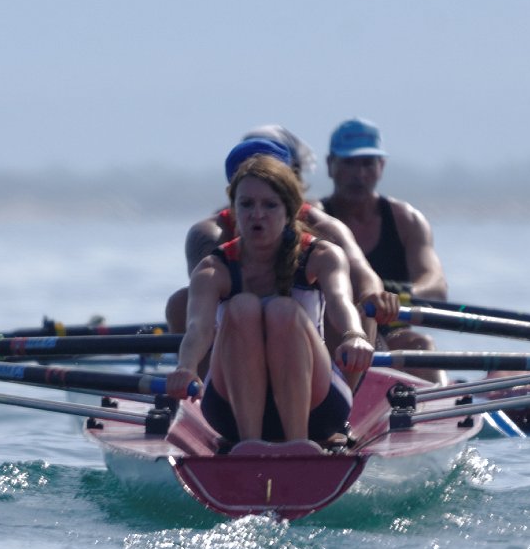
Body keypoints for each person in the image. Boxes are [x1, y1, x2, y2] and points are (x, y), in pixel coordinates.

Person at [164, 151, 375, 447]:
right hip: (229, 413)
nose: (257, 214)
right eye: (246, 204)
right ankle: (249, 445)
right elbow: (198, 328)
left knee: (282, 310)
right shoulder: (213, 269)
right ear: (233, 211)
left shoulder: (322, 255)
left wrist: (354, 335)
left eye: (270, 205)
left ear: (290, 211)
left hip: (318, 410)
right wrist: (185, 367)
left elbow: (341, 302)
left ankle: (299, 444)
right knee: (242, 307)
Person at [164, 125, 398, 386]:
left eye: (270, 199)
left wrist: (375, 298)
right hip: (236, 343)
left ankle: (346, 395)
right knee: (181, 302)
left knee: (359, 303)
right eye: (248, 200)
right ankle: (201, 388)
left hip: (306, 346)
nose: (258, 213)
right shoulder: (208, 233)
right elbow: (204, 308)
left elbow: (363, 275)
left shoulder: (323, 227)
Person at [319, 117, 449, 385]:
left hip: (390, 337)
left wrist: (396, 296)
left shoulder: (406, 220)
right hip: (332, 338)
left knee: (421, 344)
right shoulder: (316, 218)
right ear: (330, 165)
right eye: (349, 163)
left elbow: (436, 286)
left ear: (381, 166)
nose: (359, 174)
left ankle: (445, 405)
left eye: (367, 163)